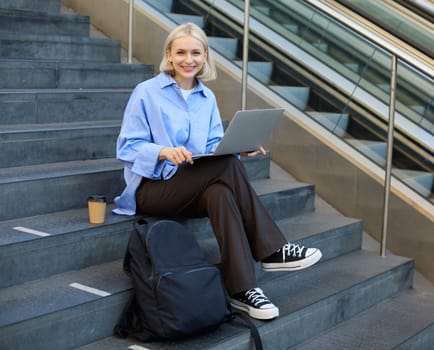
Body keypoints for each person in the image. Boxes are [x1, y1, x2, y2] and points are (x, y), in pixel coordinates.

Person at [113, 22, 322, 320]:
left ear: (205, 56)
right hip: (153, 188)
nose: (189, 59)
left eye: (196, 52)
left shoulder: (206, 98)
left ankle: (243, 290)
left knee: (221, 193)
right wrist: (162, 151)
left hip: (194, 185)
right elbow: (126, 147)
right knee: (226, 167)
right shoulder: (146, 92)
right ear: (169, 56)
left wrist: (238, 148)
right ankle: (273, 251)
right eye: (181, 52)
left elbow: (213, 147)